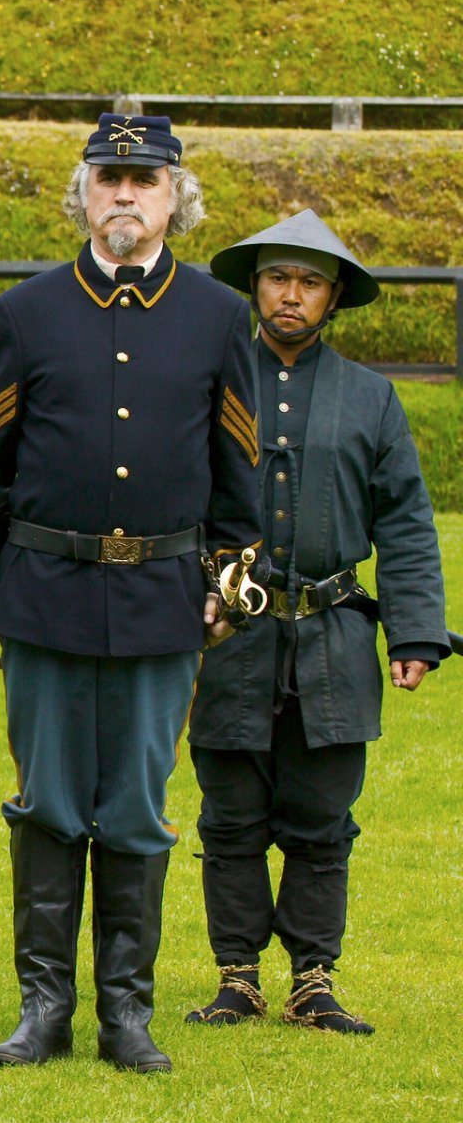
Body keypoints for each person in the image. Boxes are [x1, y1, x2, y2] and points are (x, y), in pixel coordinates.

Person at [0, 113, 262, 1074]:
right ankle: (44, 1006)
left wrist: (227, 582)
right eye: (109, 178)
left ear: (176, 197)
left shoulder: (219, 315)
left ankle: (127, 1012)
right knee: (46, 802)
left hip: (164, 600)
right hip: (44, 595)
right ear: (82, 194)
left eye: (145, 179)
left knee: (135, 806)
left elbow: (241, 473)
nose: (126, 193)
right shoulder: (27, 312)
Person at [183, 210, 450, 1034]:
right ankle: (237, 976)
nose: (291, 295)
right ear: (255, 287)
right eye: (277, 278)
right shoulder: (209, 385)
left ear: (332, 297)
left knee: (323, 818)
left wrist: (415, 631)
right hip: (230, 634)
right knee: (231, 814)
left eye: (308, 282)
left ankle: (312, 979)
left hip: (334, 641)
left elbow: (405, 519)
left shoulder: (371, 397)